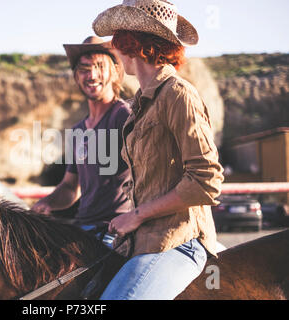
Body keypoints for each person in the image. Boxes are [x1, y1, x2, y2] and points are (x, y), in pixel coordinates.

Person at [92, 0, 224, 299]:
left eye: (117, 40)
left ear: (132, 42)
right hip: (143, 242)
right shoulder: (142, 103)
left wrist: (136, 215)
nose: (113, 48)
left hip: (179, 241)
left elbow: (207, 181)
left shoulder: (178, 95)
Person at [32, 36, 132, 229]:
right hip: (83, 228)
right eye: (84, 69)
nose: (92, 75)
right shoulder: (78, 131)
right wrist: (47, 202)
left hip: (115, 231)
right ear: (76, 76)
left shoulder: (124, 116)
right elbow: (70, 187)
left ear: (114, 71)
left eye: (100, 66)